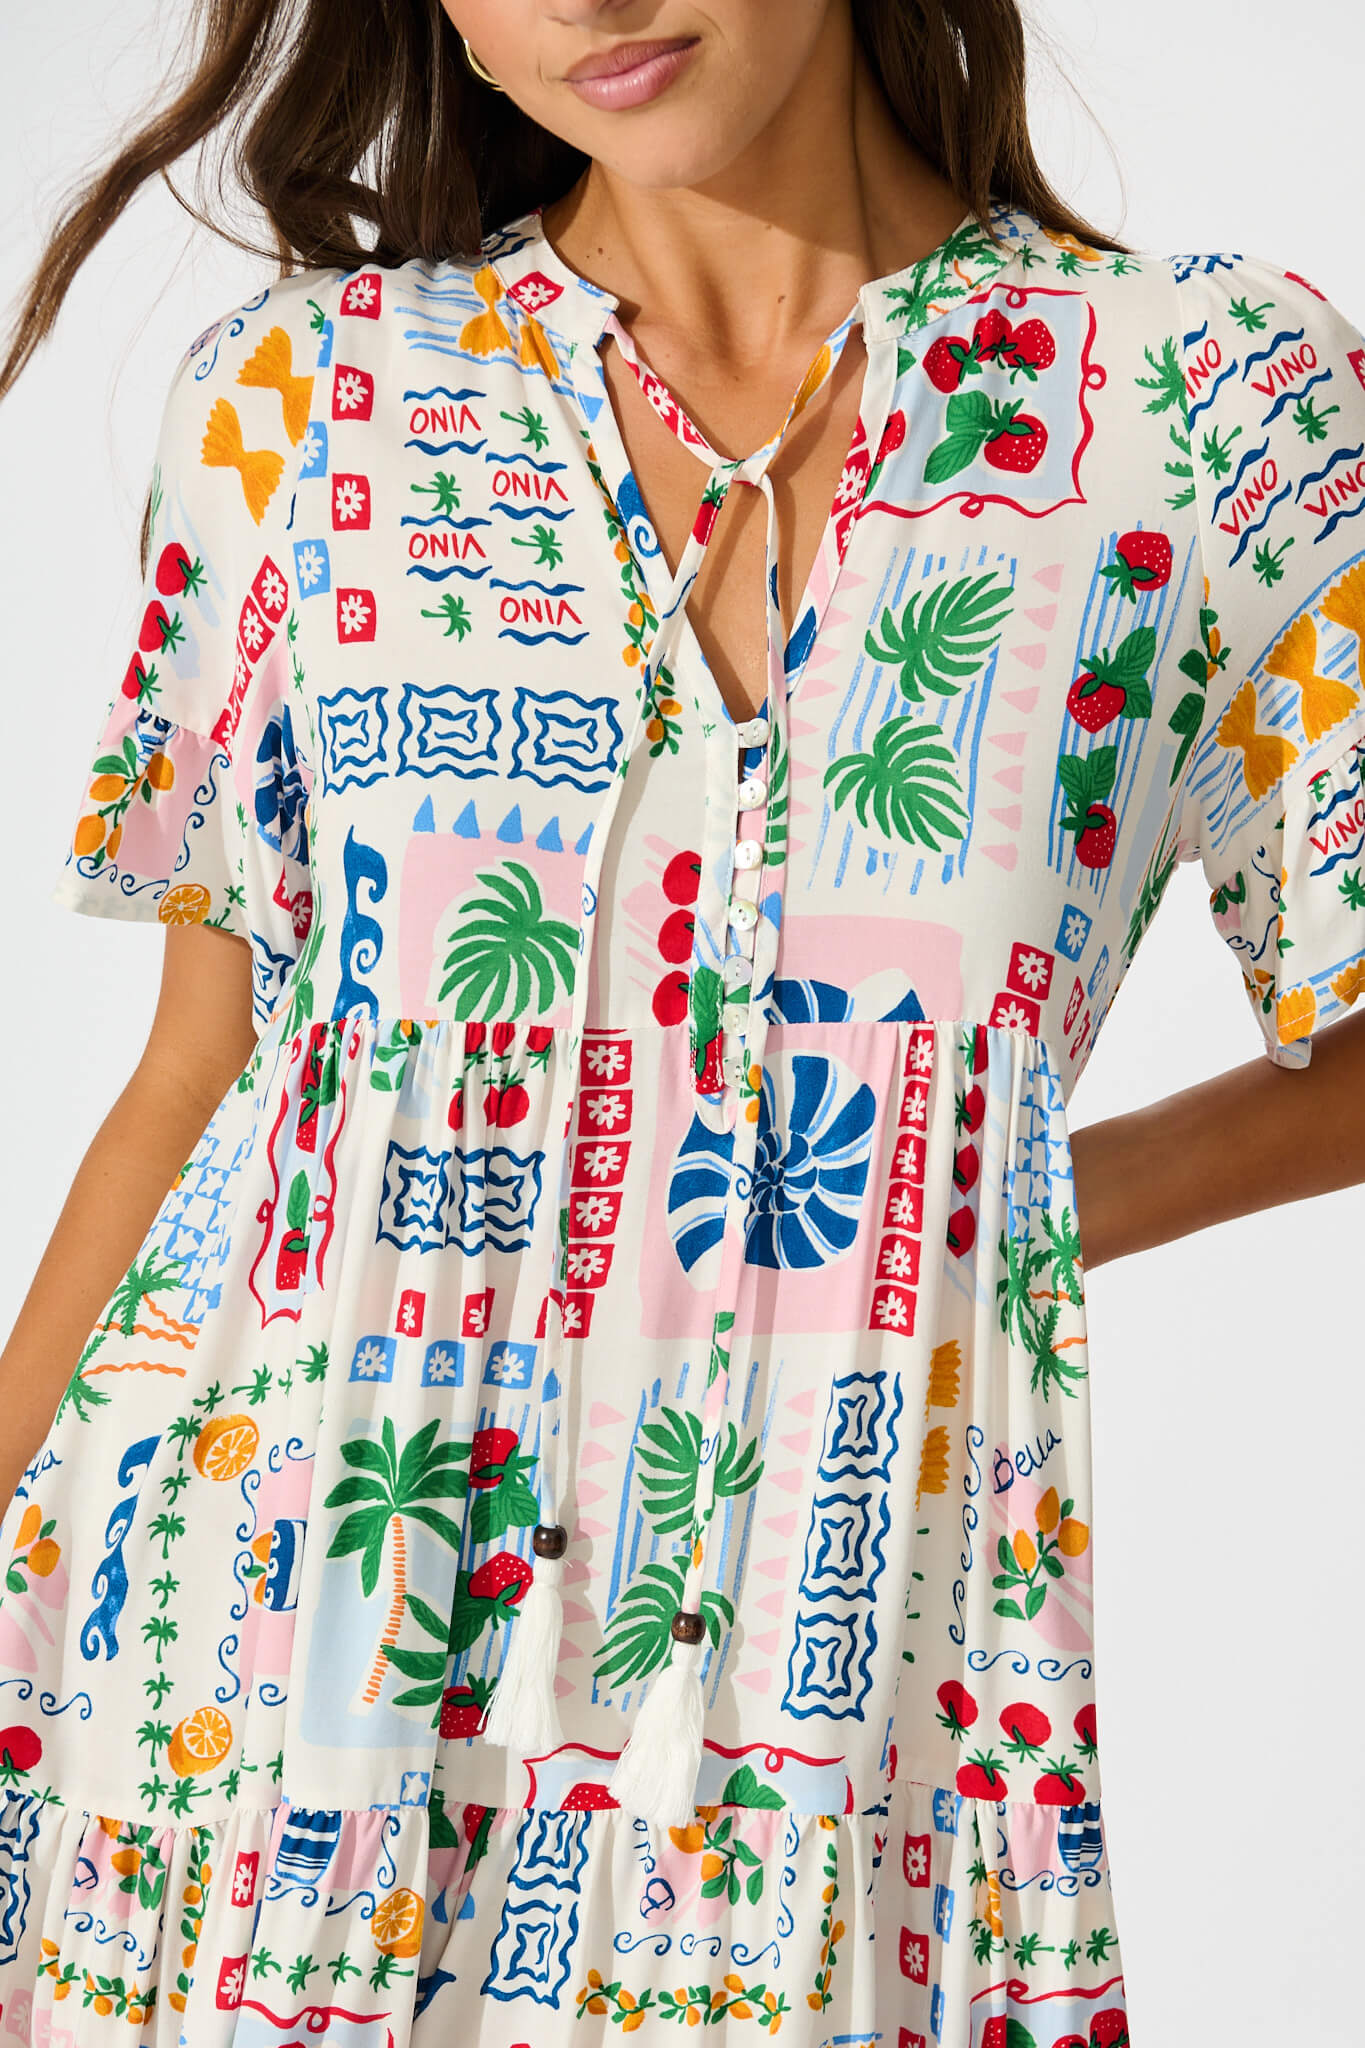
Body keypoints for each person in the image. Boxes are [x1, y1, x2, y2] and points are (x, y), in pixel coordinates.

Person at [1, 1, 1363, 2041]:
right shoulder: (302, 400)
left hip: (840, 1681)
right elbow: (201, 1070)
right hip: (266, 1667)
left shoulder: (1203, 401)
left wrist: (983, 1213)